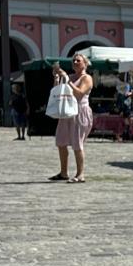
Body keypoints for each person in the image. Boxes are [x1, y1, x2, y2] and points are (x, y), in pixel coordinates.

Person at [50, 54, 95, 183]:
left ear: (85, 64)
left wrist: (67, 80)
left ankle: (80, 174)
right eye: (73, 60)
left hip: (80, 112)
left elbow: (80, 94)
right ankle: (63, 172)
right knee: (61, 141)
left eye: (78, 60)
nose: (75, 62)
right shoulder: (70, 77)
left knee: (77, 143)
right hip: (67, 112)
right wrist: (57, 78)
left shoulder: (87, 78)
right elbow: (57, 91)